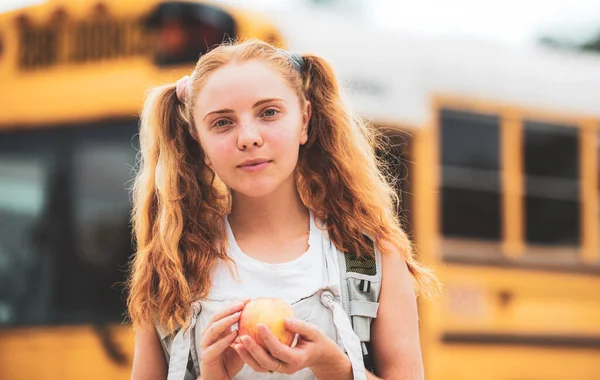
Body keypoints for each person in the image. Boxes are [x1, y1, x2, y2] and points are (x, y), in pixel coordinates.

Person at [127, 39, 439, 380]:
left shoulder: (369, 258)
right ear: (198, 142)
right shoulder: (172, 264)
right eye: (222, 123)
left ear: (304, 121)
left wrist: (332, 365)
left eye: (269, 113)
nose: (248, 137)